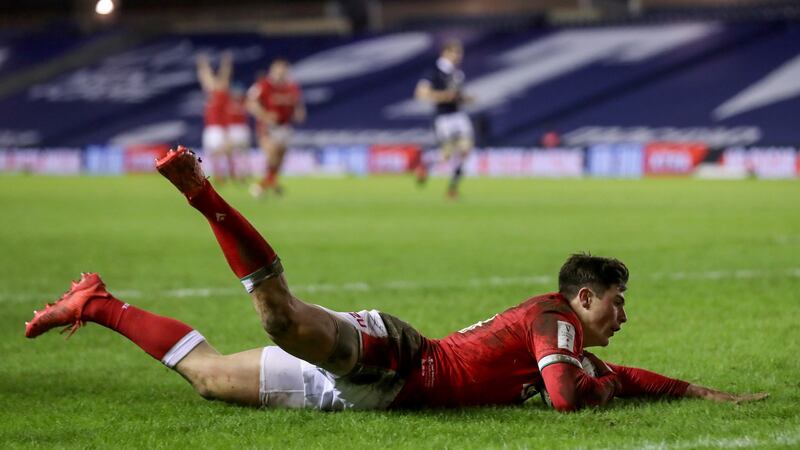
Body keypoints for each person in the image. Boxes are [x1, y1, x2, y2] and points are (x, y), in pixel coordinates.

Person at [24, 147, 767, 411]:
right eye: (616, 302)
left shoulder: (569, 340)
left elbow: (623, 376)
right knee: (278, 318)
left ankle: (100, 302)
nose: (621, 316)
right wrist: (588, 385)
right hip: (400, 363)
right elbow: (573, 397)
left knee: (211, 378)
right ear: (582, 296)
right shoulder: (555, 319)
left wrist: (706, 392)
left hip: (369, 398)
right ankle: (204, 196)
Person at [414, 40, 474, 199]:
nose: (458, 56)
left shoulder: (457, 73)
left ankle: (452, 189)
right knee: (447, 154)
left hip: (458, 115)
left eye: (460, 53)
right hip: (444, 118)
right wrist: (445, 96)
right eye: (455, 53)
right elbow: (421, 93)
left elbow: (456, 95)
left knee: (465, 150)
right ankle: (426, 165)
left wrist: (464, 98)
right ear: (445, 53)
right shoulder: (434, 71)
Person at [246, 58, 305, 198]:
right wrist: (265, 115)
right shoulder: (263, 85)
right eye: (278, 71)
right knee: (272, 151)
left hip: (285, 127)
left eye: (283, 71)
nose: (281, 74)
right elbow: (250, 103)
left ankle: (270, 181)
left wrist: (299, 113)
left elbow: (297, 104)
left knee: (280, 157)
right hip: (268, 127)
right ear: (272, 71)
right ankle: (261, 185)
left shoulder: (291, 87)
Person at [196, 52, 235, 182]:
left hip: (220, 127)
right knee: (214, 154)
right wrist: (203, 66)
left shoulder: (221, 92)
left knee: (226, 151)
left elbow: (224, 76)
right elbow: (205, 78)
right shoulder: (210, 92)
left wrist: (226, 64)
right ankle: (220, 175)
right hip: (210, 127)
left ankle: (231, 173)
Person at [224, 84, 251, 182]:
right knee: (231, 152)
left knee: (243, 153)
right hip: (233, 130)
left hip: (242, 129)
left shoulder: (244, 104)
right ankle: (233, 172)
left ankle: (244, 173)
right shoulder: (228, 105)